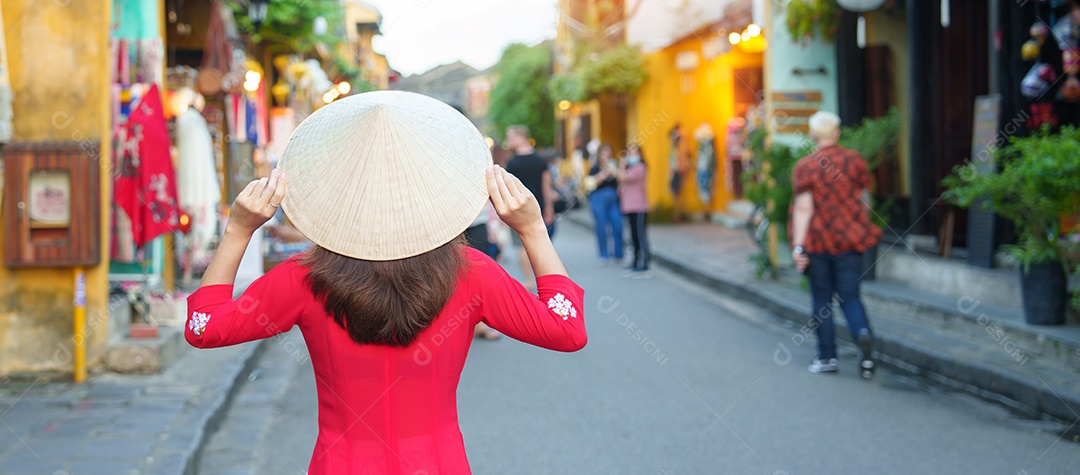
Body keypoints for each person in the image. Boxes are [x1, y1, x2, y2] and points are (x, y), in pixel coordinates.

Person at [184, 91, 587, 474]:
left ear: (336, 193)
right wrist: (532, 228)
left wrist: (238, 230)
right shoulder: (470, 271)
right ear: (435, 190)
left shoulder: (304, 278)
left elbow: (204, 326)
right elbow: (566, 330)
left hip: (340, 463)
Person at [790, 111, 882, 379]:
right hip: (850, 241)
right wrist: (859, 226)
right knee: (851, 296)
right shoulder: (855, 162)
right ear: (838, 134)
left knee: (821, 300)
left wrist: (798, 246)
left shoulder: (806, 166)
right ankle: (863, 335)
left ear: (812, 135)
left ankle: (827, 357)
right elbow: (865, 200)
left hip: (818, 241)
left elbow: (804, 209)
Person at [504, 125, 557, 291]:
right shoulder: (540, 160)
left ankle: (528, 279)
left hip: (517, 208)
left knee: (520, 245)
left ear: (520, 138)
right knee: (541, 243)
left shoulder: (512, 163)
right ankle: (544, 278)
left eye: (511, 137)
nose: (509, 141)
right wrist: (549, 208)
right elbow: (546, 187)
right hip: (538, 207)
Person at [587, 143, 624, 264]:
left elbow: (621, 180)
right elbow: (591, 184)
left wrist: (616, 170)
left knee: (617, 224)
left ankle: (619, 254)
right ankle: (604, 254)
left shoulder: (614, 166)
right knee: (601, 226)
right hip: (598, 198)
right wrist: (604, 174)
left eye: (609, 152)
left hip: (613, 198)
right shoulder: (595, 168)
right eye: (604, 152)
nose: (606, 155)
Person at [619, 142, 650, 276]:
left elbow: (622, 178)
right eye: (629, 153)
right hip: (629, 207)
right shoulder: (630, 168)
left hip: (639, 207)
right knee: (632, 235)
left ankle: (644, 261)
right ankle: (635, 260)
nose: (631, 155)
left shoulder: (640, 167)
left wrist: (620, 165)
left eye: (634, 152)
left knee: (640, 235)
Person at [668, 123, 690, 223]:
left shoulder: (679, 150)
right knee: (676, 193)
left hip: (677, 171)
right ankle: (677, 214)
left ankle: (678, 213)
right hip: (675, 172)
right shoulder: (675, 151)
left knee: (678, 193)